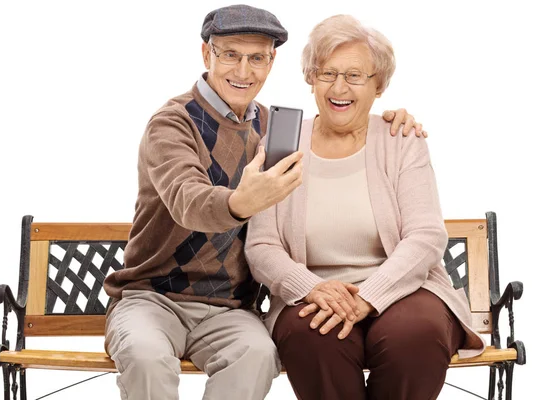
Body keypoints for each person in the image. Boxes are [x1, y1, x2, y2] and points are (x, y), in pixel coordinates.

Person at [103, 5, 425, 400]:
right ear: (207, 55)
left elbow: (338, 125)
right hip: (153, 298)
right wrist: (241, 202)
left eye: (257, 58)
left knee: (257, 355)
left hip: (231, 309)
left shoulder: (276, 130)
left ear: (272, 62)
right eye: (230, 55)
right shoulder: (173, 123)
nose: (243, 71)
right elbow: (188, 201)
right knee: (146, 357)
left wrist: (388, 119)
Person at [245, 14, 487, 400]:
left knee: (414, 336)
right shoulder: (280, 145)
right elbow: (261, 246)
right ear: (311, 79)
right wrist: (311, 287)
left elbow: (425, 236)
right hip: (314, 295)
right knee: (313, 335)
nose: (339, 87)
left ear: (380, 85)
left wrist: (369, 296)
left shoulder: (400, 140)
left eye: (356, 76)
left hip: (405, 290)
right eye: (327, 73)